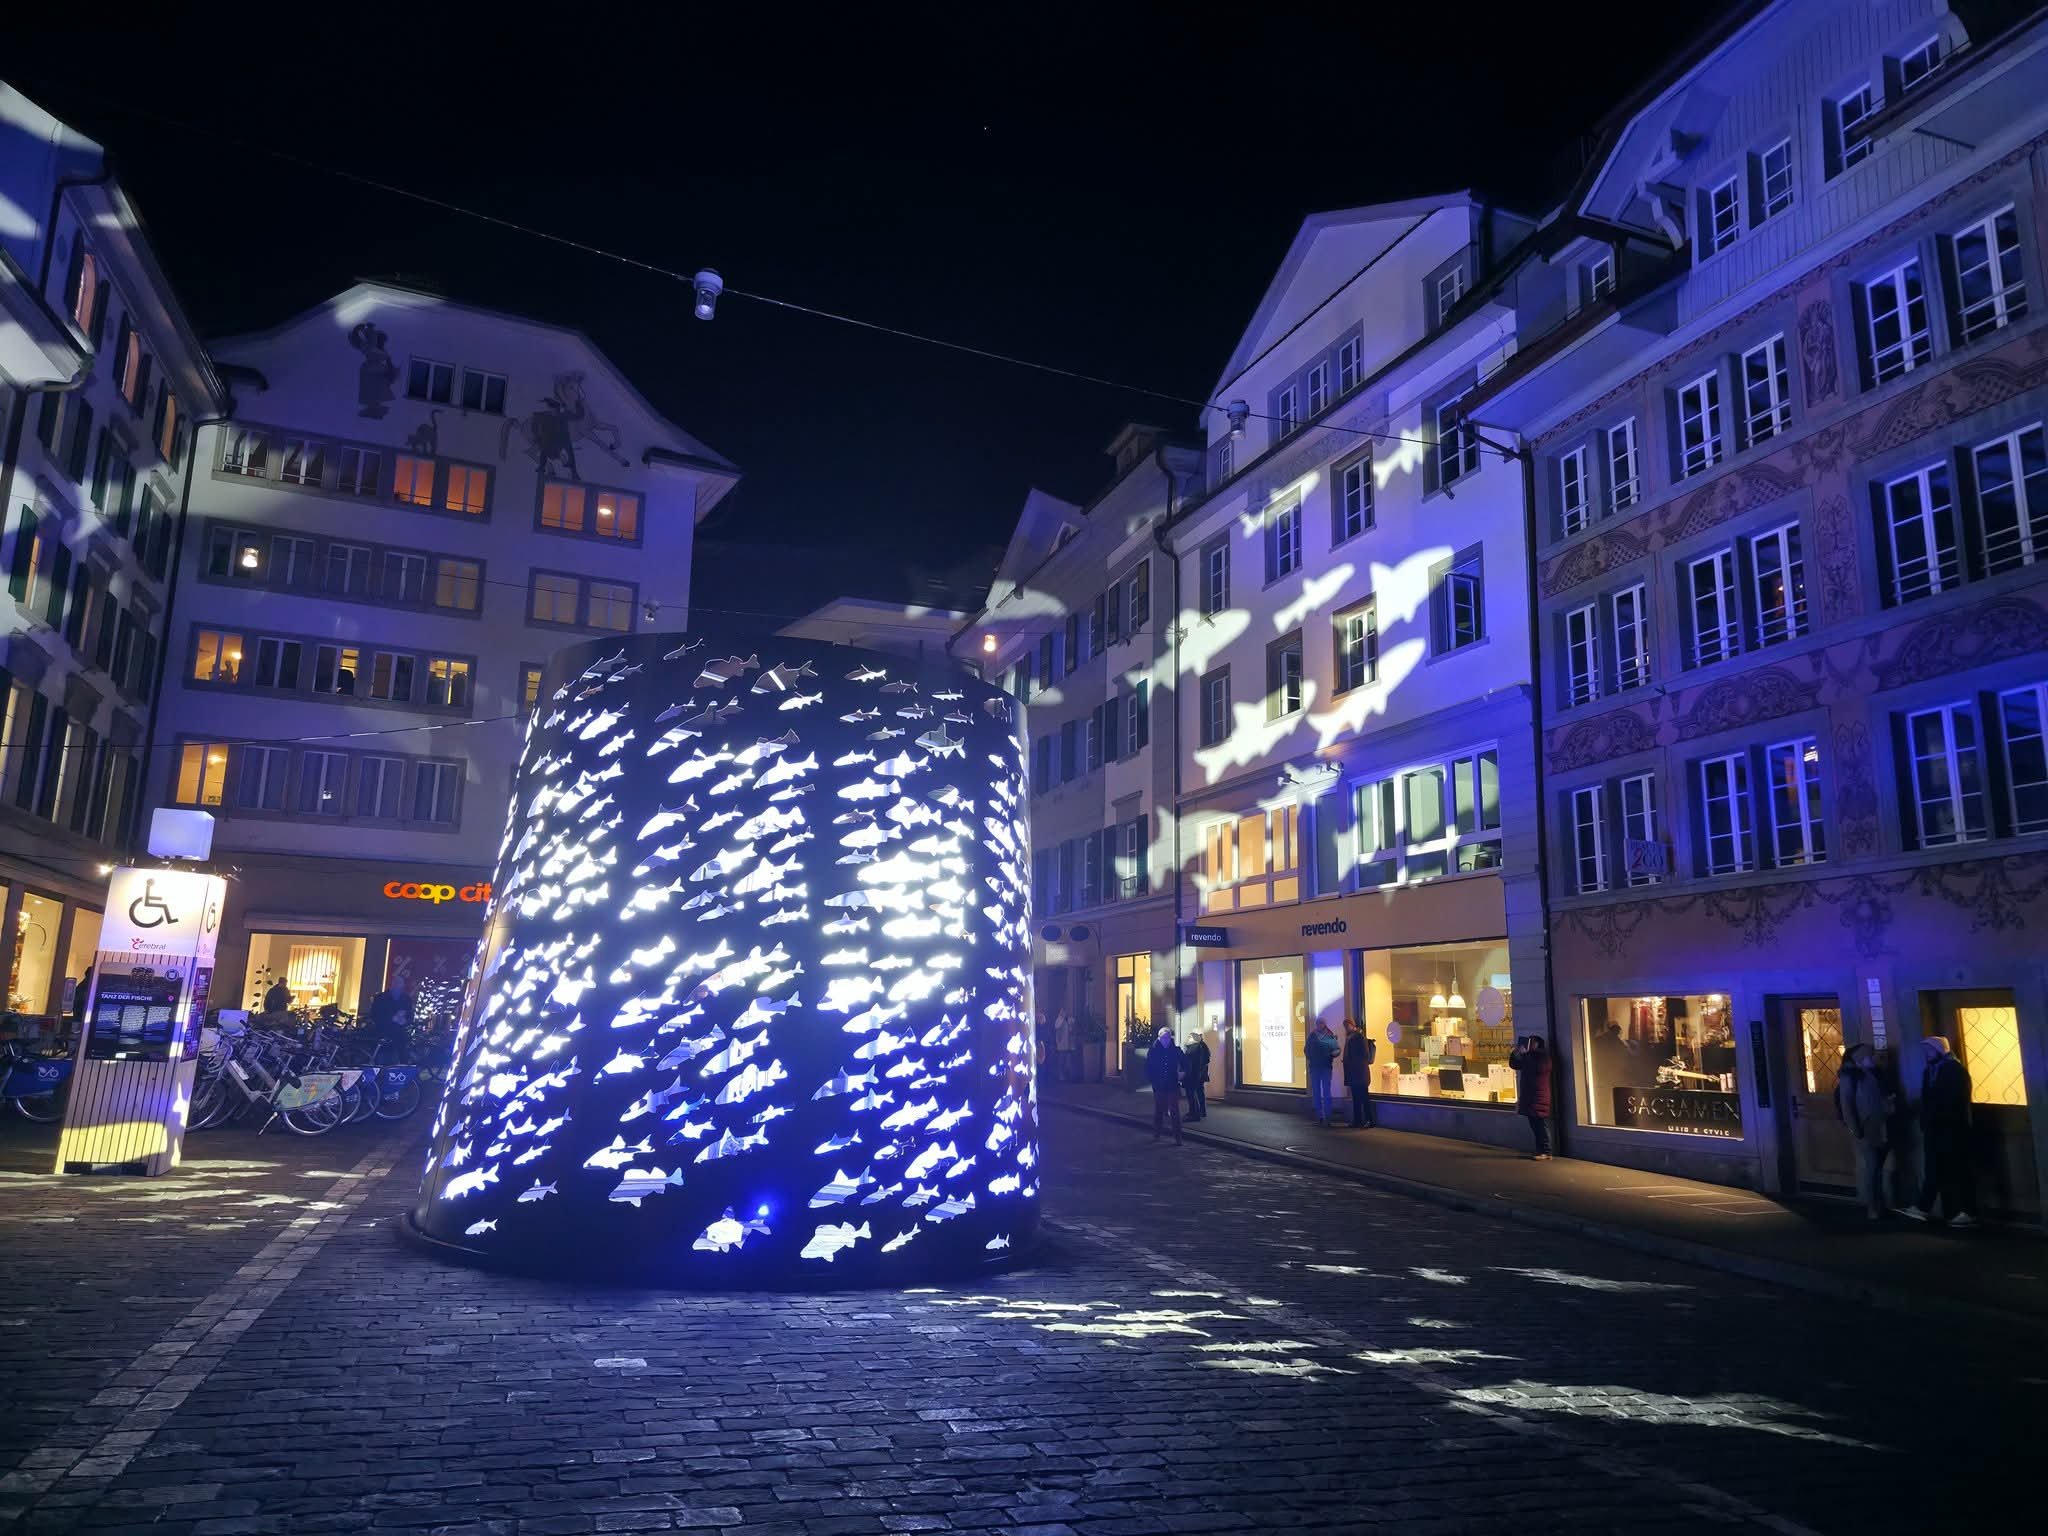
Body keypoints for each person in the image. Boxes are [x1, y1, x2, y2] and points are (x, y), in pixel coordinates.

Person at [1902, 1036, 1977, 1227]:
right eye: (1925, 1051)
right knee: (1935, 1169)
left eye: (1930, 1050)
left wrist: (1936, 1115)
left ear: (1940, 1050)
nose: (1927, 1054)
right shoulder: (1930, 1071)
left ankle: (1965, 1211)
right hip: (1935, 1128)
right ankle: (1928, 1207)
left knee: (1955, 1169)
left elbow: (1955, 1099)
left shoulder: (1954, 1070)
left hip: (1950, 1128)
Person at [1833, 1042, 1893, 1221]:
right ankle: (1873, 1207)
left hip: (1881, 1126)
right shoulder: (1851, 1076)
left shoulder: (1875, 1073)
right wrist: (1855, 1128)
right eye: (1870, 1055)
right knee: (1873, 1167)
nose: (1873, 1057)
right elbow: (1847, 1104)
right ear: (1860, 1058)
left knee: (1878, 1167)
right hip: (1865, 1127)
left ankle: (1879, 1205)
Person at [1509, 1035, 1554, 1160]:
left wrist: (1525, 1055)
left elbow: (1537, 1067)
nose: (1529, 1044)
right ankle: (1541, 1151)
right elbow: (1515, 1064)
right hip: (1531, 1097)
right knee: (1535, 1125)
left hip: (1538, 1097)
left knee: (1540, 1125)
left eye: (1531, 1042)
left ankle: (1546, 1152)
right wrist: (1516, 1053)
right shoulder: (1530, 1056)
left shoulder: (1542, 1057)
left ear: (1537, 1044)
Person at [1146, 1028, 1185, 1144]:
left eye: (1167, 1037)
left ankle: (1178, 1136)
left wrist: (1182, 1073)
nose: (1165, 1040)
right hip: (1159, 1085)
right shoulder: (1153, 1051)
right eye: (1163, 1038)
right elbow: (1148, 1067)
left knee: (1174, 1111)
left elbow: (1186, 1063)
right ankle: (1157, 1133)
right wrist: (1153, 1080)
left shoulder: (1176, 1050)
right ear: (1159, 1038)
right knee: (1159, 1110)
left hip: (1172, 1085)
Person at [1304, 1020, 1339, 1126]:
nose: (1319, 1025)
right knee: (1316, 1091)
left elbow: (1336, 1049)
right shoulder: (1312, 1036)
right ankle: (1320, 1116)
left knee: (1326, 1091)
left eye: (1321, 1023)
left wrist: (1333, 1054)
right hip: (1316, 1067)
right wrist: (1311, 1057)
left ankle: (1327, 1117)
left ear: (1324, 1024)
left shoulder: (1330, 1036)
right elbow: (1306, 1050)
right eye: (1318, 1024)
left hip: (1325, 1067)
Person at [1342, 1019, 1375, 1128]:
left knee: (1363, 1097)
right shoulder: (1352, 1037)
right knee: (1356, 1098)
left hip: (1359, 1072)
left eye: (1347, 1026)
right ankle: (1358, 1120)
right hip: (1356, 1072)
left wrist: (1351, 1062)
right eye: (1345, 1026)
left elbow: (1364, 1055)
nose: (1346, 1028)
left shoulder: (1358, 1037)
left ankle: (1368, 1120)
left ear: (1352, 1025)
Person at [1183, 1032, 1210, 1122]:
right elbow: (1205, 1060)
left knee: (1191, 1093)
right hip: (1199, 1074)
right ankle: (1201, 1111)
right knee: (1199, 1092)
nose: (1187, 1038)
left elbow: (1192, 1063)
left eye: (1189, 1037)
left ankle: (1194, 1113)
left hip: (1193, 1074)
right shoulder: (1202, 1046)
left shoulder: (1194, 1048)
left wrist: (1188, 1074)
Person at [1054, 1009, 1076, 1083]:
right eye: (1063, 1012)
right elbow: (1056, 1026)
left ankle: (1068, 1076)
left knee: (1068, 1061)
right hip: (1062, 1044)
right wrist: (1062, 1017)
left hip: (1069, 1044)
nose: (1066, 1013)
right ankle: (1061, 1075)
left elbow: (1072, 1029)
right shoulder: (1059, 1019)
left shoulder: (1070, 1019)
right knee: (1061, 1060)